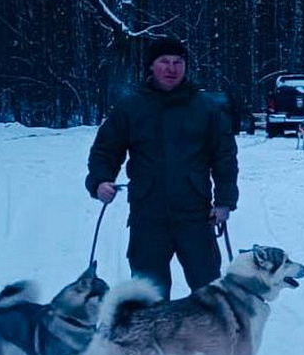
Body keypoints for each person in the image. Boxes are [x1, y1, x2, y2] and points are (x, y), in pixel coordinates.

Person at [85, 36, 239, 301]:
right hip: (148, 214)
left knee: (209, 293)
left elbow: (224, 157)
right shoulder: (131, 107)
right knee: (148, 294)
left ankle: (207, 330)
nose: (172, 68)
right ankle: (152, 330)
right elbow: (105, 150)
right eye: (164, 61)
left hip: (195, 213)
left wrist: (225, 200)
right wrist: (100, 181)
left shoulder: (205, 108)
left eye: (178, 62)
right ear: (151, 66)